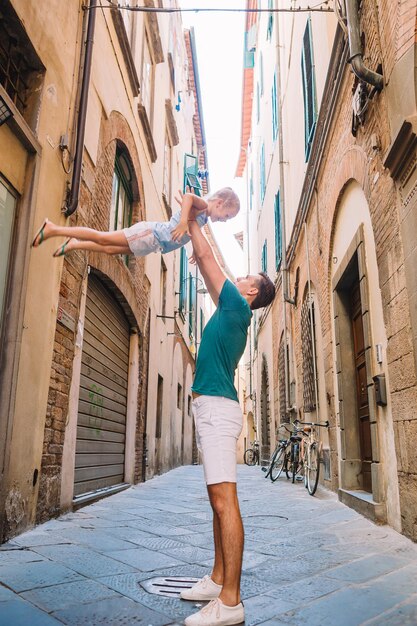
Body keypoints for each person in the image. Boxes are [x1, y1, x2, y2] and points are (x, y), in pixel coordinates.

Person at [181, 218, 275, 626]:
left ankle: (231, 603)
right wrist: (200, 221)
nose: (237, 277)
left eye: (244, 276)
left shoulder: (237, 304)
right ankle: (218, 577)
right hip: (213, 408)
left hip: (218, 410)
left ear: (251, 291)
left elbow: (204, 258)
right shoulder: (232, 308)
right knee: (216, 503)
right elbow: (213, 258)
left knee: (225, 502)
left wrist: (191, 219)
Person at [30, 187, 240, 258]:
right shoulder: (203, 206)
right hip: (151, 235)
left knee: (110, 251)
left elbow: (189, 231)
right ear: (220, 203)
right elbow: (188, 197)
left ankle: (74, 244)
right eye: (227, 215)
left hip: (154, 245)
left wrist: (194, 247)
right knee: (102, 238)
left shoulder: (203, 219)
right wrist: (184, 221)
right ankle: (53, 228)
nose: (224, 220)